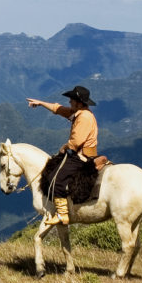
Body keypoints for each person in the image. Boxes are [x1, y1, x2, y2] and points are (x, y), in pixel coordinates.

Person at [25, 85, 99, 226]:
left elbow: (76, 142)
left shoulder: (84, 117)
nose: (69, 102)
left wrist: (64, 148)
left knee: (56, 178)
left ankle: (62, 214)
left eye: (72, 100)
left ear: (78, 102)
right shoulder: (80, 113)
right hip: (81, 153)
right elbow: (60, 110)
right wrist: (41, 103)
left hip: (81, 156)